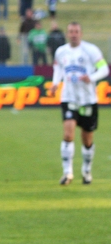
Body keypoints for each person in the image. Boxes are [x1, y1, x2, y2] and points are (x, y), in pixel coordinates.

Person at [49, 22, 109, 186]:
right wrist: (55, 83)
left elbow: (104, 69)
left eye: (76, 31)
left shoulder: (91, 50)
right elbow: (58, 69)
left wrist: (92, 78)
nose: (73, 34)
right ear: (67, 34)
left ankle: (86, 171)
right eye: (70, 31)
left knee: (87, 139)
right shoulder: (61, 52)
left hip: (88, 100)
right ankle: (67, 173)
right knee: (68, 134)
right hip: (69, 98)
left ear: (81, 33)